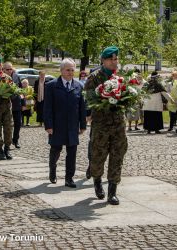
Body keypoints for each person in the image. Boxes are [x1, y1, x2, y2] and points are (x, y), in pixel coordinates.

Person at [84, 45, 127, 205]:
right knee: (98, 155)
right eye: (112, 59)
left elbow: (126, 95)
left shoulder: (120, 77)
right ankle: (97, 182)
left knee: (118, 155)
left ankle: (112, 192)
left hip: (118, 124)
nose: (115, 62)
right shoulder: (95, 77)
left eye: (116, 59)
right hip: (101, 124)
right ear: (104, 60)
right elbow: (88, 98)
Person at [44, 58, 86, 188]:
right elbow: (47, 107)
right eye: (68, 70)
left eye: (72, 70)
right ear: (61, 70)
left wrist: (83, 125)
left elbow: (82, 107)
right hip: (57, 124)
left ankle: (69, 178)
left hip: (72, 125)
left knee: (72, 151)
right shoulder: (51, 86)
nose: (70, 72)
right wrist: (48, 125)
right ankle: (52, 169)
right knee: (56, 149)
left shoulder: (79, 86)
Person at [3, 62, 22, 148]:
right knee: (8, 125)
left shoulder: (16, 76)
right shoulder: (1, 78)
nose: (10, 71)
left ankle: (16, 140)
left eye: (11, 69)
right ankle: (7, 141)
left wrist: (24, 102)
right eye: (8, 69)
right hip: (6, 105)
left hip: (16, 104)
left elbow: (21, 90)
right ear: (3, 70)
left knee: (18, 123)